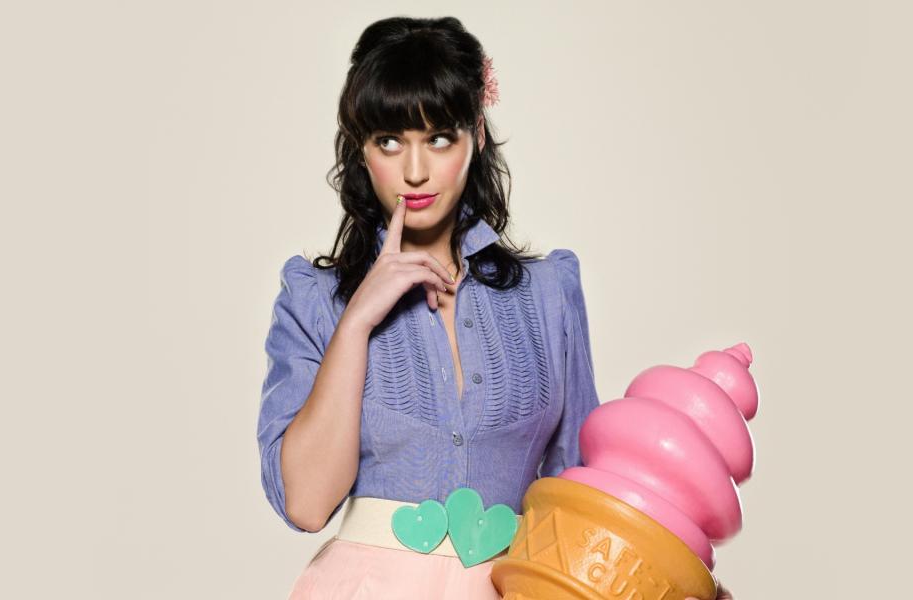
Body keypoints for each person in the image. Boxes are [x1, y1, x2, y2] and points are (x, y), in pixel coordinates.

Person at [257, 15, 725, 599]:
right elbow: (306, 503)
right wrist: (357, 322)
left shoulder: (549, 293)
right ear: (361, 150)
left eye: (439, 138)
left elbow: (581, 488)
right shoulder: (315, 299)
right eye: (389, 141)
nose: (415, 171)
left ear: (476, 134)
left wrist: (670, 577)